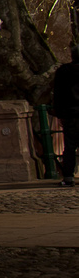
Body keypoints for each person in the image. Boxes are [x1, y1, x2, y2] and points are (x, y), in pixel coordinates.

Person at [53, 44, 79, 186]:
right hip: (71, 113)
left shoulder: (64, 71)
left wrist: (59, 113)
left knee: (69, 147)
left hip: (70, 114)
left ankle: (68, 177)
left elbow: (58, 94)